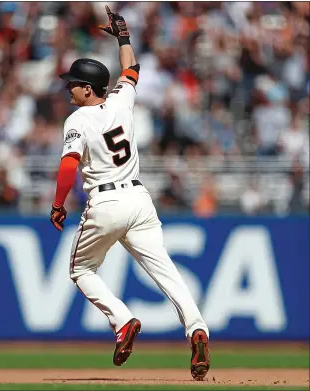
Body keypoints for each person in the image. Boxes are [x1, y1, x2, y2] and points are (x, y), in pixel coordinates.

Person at [49, 6, 210, 381]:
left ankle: (122, 321)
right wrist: (124, 37)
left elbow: (69, 167)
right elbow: (132, 70)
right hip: (139, 199)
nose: (68, 87)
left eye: (73, 83)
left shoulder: (78, 119)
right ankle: (197, 327)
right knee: (165, 270)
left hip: (105, 200)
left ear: (87, 89)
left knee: (81, 269)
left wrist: (58, 205)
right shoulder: (122, 99)